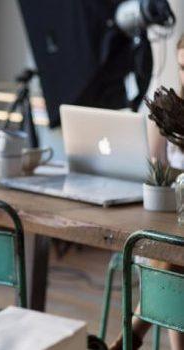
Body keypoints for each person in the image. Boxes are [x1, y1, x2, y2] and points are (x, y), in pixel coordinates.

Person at [107, 35, 184, 350]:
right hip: (170, 222)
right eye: (182, 67)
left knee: (170, 258)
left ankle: (127, 339)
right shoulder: (171, 111)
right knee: (168, 254)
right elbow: (158, 177)